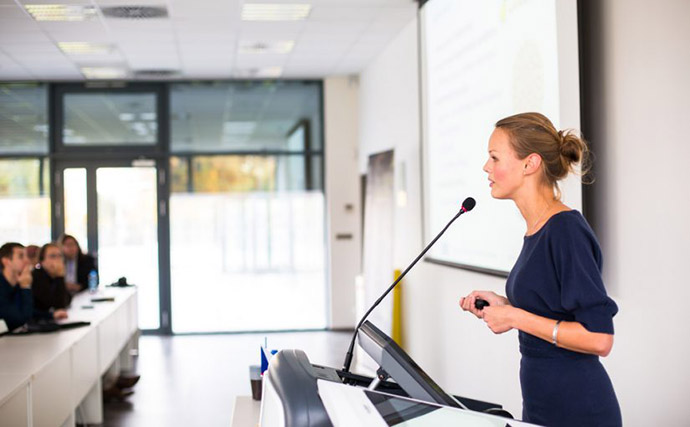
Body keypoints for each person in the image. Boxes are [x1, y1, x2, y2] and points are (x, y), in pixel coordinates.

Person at [459, 112, 621, 426]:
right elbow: (554, 309)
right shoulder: (538, 228)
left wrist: (515, 317)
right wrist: (505, 305)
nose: (486, 167)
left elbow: (600, 338)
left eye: (494, 157)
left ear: (529, 164)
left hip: (578, 409)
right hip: (541, 404)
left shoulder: (565, 230)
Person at [0, 242, 34, 331]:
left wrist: (51, 315)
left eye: (27, 256)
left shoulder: (18, 282)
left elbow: (29, 309)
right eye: (21, 256)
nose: (27, 261)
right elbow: (21, 320)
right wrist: (26, 287)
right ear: (6, 261)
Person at [31, 243, 70, 321]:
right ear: (42, 261)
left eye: (60, 256)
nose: (58, 259)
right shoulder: (36, 276)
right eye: (53, 256)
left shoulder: (53, 276)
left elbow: (67, 299)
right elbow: (57, 305)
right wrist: (60, 277)